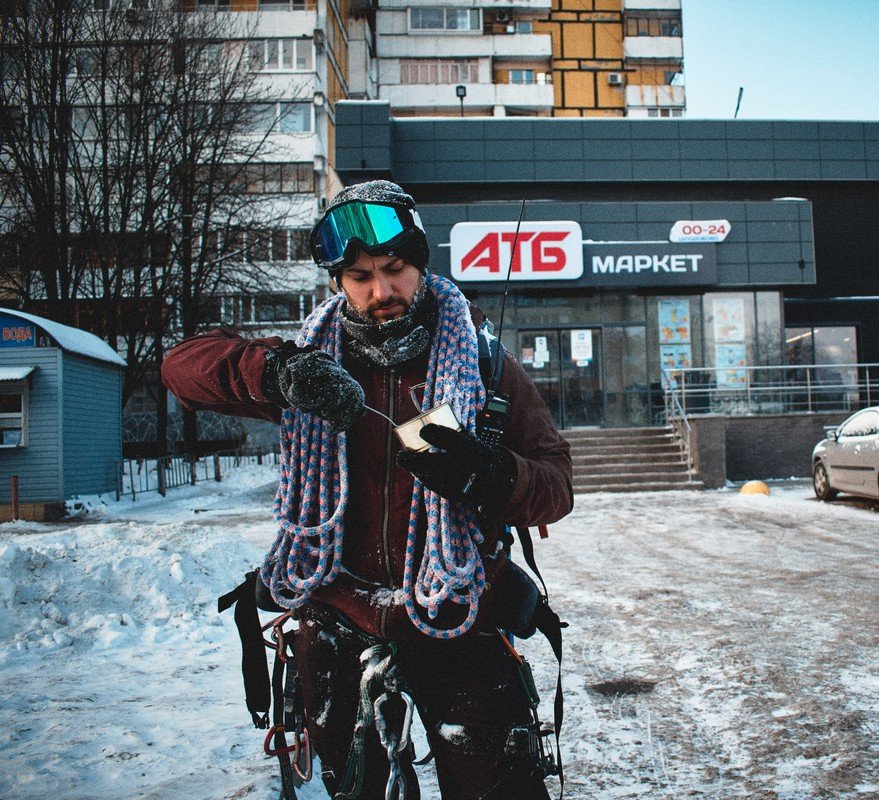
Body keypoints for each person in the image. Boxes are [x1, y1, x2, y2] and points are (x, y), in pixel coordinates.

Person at [161, 181, 573, 800]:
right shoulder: (312, 367)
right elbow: (181, 368)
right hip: (340, 622)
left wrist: (489, 474)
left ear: (420, 265)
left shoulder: (481, 362)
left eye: (395, 269)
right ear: (338, 282)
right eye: (359, 275)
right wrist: (274, 373)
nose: (380, 292)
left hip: (459, 620)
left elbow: (557, 484)